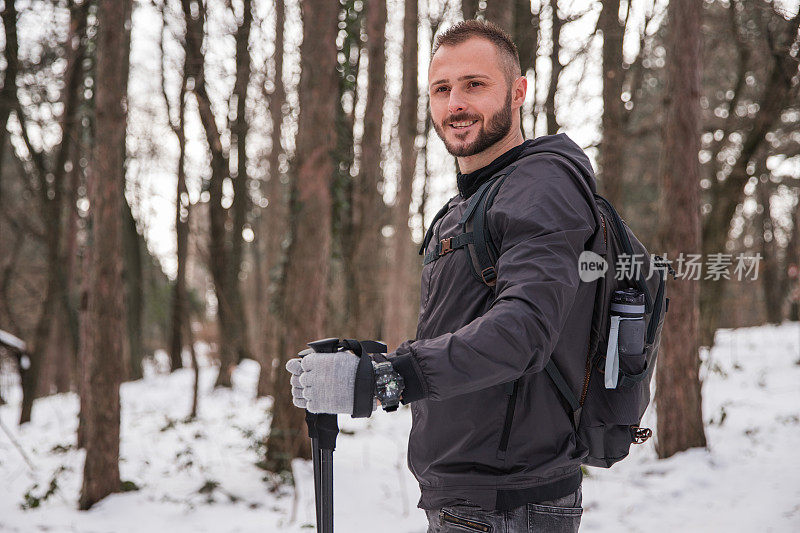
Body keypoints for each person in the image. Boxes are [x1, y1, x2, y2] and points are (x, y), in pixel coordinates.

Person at [286, 19, 600, 533]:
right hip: (471, 499)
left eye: (475, 84)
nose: (456, 103)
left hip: (508, 505)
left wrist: (388, 378)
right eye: (442, 88)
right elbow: (465, 331)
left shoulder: (541, 186)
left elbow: (523, 332)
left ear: (518, 92)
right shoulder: (476, 199)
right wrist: (369, 363)